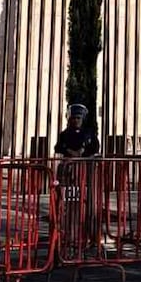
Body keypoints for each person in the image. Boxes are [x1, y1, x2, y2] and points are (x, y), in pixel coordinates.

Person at [54, 105, 100, 254]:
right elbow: (58, 147)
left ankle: (91, 237)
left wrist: (83, 152)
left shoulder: (89, 133)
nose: (76, 121)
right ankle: (71, 236)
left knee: (89, 205)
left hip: (86, 173)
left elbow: (95, 147)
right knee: (72, 204)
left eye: (78, 118)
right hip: (70, 174)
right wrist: (69, 151)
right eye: (73, 118)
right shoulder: (65, 134)